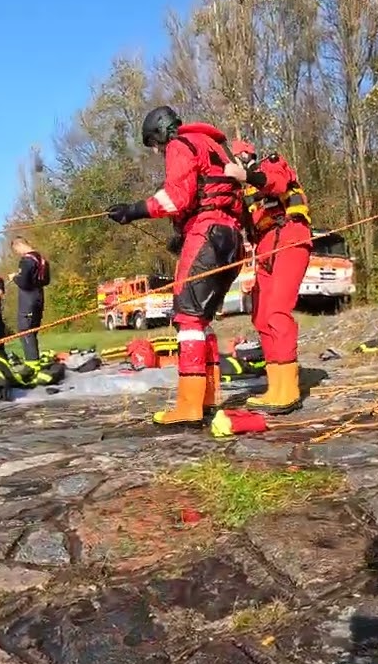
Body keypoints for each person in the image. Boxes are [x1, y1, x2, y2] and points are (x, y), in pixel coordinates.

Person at [105, 105, 246, 428]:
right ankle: (207, 400)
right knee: (202, 319)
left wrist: (134, 210)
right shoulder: (214, 146)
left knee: (187, 317)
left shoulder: (180, 144)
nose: (157, 151)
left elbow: (176, 197)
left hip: (208, 231)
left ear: (159, 133)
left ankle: (189, 406)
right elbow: (216, 194)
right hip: (231, 236)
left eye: (154, 145)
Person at [230, 139, 311, 415]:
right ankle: (275, 386)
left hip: (289, 237)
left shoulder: (270, 163)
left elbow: (276, 184)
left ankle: (288, 389)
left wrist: (247, 175)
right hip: (265, 248)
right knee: (261, 315)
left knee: (278, 310)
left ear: (244, 155)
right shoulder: (243, 195)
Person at [7, 236, 50, 364]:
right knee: (33, 331)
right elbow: (46, 281)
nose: (18, 254)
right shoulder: (42, 260)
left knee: (25, 331)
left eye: (16, 251)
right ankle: (35, 359)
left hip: (28, 299)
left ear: (18, 245)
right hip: (39, 297)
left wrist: (15, 277)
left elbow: (24, 282)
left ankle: (32, 364)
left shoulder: (26, 260)